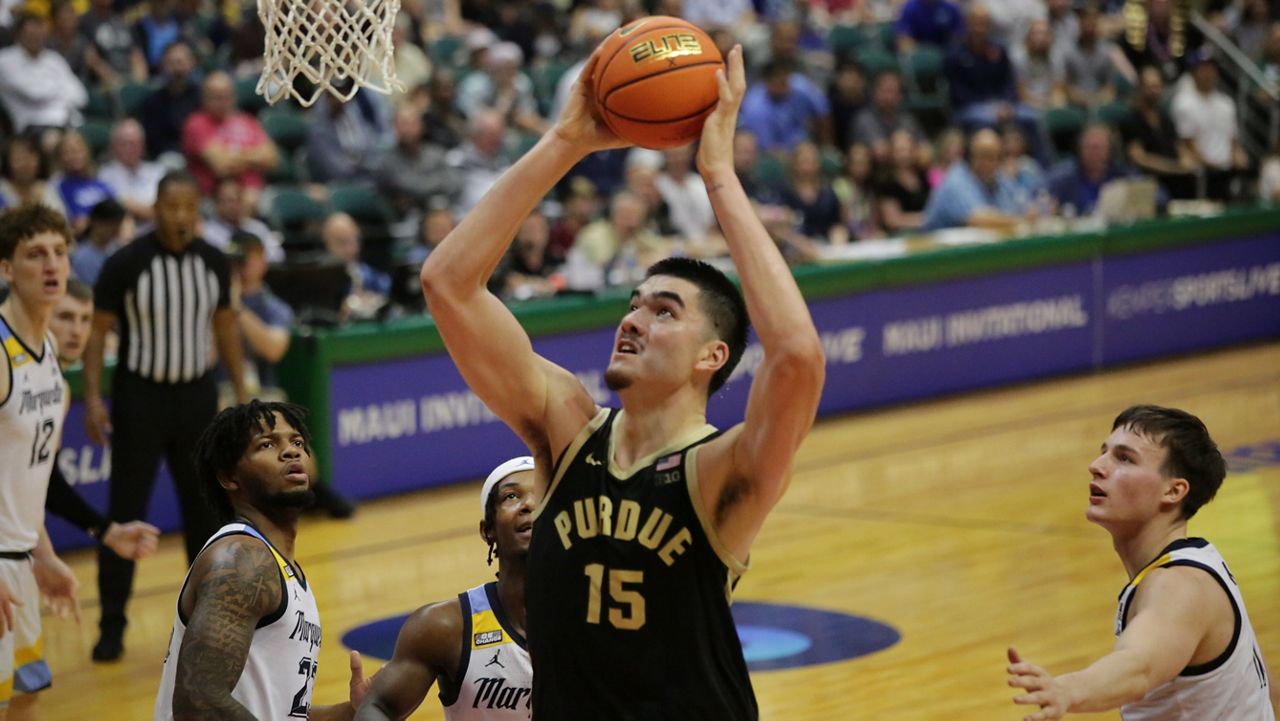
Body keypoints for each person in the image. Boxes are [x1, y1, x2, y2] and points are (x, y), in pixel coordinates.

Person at [419, 44, 825, 720]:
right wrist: (565, 141)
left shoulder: (722, 470)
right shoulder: (569, 431)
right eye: (634, 303)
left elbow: (798, 357)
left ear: (712, 355)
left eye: (664, 311)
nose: (633, 319)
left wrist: (718, 174)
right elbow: (448, 284)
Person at [1007, 405, 1278, 720]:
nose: (1096, 466)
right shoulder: (1202, 560)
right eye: (1104, 452)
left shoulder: (1178, 585)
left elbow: (1139, 666)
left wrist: (1069, 689)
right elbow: (1265, 685)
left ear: (1173, 490)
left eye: (1124, 458)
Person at [84, 171, 247, 662]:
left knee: (204, 513)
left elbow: (225, 328)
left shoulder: (214, 261)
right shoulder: (125, 263)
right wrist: (93, 397)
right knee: (125, 511)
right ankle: (112, 624)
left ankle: (204, 619)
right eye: (170, 207)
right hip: (140, 398)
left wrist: (240, 393)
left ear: (197, 210)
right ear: (154, 208)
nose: (179, 217)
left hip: (196, 398)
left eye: (187, 207)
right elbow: (96, 333)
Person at [153, 400, 369, 719]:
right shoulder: (242, 560)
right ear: (229, 477)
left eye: (297, 442)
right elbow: (199, 702)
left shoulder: (278, 564)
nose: (291, 452)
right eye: (267, 444)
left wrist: (353, 712)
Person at [354, 457, 536, 720]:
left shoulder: (597, 617)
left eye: (542, 495)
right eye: (511, 496)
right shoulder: (445, 627)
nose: (528, 504)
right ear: (488, 531)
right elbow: (377, 707)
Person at [0, 204, 83, 720]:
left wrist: (44, 552)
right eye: (35, 255)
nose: (51, 265)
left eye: (58, 252)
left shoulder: (49, 351)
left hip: (20, 558)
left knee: (27, 693)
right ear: (6, 269)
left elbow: (26, 475)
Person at [44, 278, 162, 555]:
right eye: (65, 317)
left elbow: (45, 484)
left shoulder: (58, 389)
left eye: (85, 319)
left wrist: (105, 531)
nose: (76, 330)